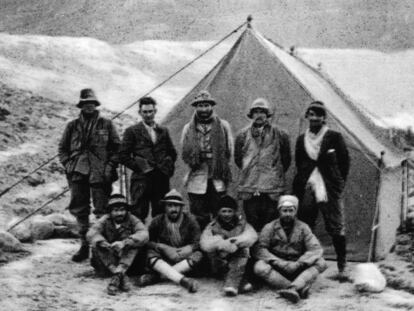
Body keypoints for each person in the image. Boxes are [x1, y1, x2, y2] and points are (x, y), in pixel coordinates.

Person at [58, 88, 120, 262]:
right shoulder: (72, 126)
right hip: (78, 172)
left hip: (100, 173)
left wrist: (109, 166)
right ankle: (84, 246)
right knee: (80, 209)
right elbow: (62, 149)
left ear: (96, 104)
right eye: (86, 103)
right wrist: (69, 164)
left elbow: (116, 148)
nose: (89, 106)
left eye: (92, 103)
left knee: (102, 209)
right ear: (81, 105)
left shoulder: (106, 124)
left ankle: (101, 248)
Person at [292, 101, 350, 279]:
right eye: (311, 114)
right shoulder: (302, 139)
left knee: (335, 224)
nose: (315, 118)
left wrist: (337, 184)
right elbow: (299, 161)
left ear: (324, 117)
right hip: (308, 184)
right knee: (306, 222)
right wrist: (305, 179)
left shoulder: (334, 136)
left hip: (329, 187)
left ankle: (342, 264)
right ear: (307, 116)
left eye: (318, 115)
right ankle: (306, 262)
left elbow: (344, 162)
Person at [253, 195, 327, 303]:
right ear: (279, 211)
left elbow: (315, 249)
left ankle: (293, 288)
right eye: (284, 210)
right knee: (259, 266)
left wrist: (300, 263)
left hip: (297, 265)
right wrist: (278, 262)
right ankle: (297, 288)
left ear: (295, 211)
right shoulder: (269, 227)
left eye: (291, 210)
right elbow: (260, 249)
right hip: (277, 267)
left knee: (321, 262)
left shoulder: (303, 227)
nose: (288, 214)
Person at [234, 98, 291, 231]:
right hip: (250, 185)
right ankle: (255, 251)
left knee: (270, 221)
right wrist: (250, 170)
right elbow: (238, 159)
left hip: (272, 187)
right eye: (256, 112)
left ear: (268, 115)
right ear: (251, 115)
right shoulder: (242, 135)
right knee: (252, 220)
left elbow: (286, 159)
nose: (259, 115)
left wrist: (274, 172)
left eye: (262, 112)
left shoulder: (281, 134)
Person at [181, 90, 233, 229]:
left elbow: (229, 150)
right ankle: (201, 244)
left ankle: (216, 243)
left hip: (217, 176)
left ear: (212, 106)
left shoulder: (223, 126)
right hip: (197, 176)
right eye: (200, 105)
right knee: (198, 214)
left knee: (219, 212)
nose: (204, 109)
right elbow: (185, 152)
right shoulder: (188, 128)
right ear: (196, 107)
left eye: (207, 105)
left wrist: (217, 163)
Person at [119, 97, 177, 222]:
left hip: (160, 179)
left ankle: (157, 240)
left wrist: (167, 167)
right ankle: (139, 240)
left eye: (150, 111)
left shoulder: (163, 131)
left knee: (160, 213)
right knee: (138, 213)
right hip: (141, 180)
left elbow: (172, 153)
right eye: (145, 112)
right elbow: (123, 155)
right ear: (140, 113)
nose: (148, 115)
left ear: (155, 111)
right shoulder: (132, 131)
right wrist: (140, 167)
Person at [138, 189, 202, 293]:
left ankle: (159, 277)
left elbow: (198, 241)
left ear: (181, 207)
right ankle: (183, 281)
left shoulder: (190, 220)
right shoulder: (157, 220)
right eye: (170, 205)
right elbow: (147, 241)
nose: (173, 209)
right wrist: (162, 247)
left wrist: (189, 248)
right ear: (164, 207)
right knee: (150, 253)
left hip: (183, 258)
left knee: (198, 255)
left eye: (176, 206)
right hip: (164, 258)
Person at [87, 194, 149, 295]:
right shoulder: (105, 219)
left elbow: (144, 234)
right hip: (109, 262)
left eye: (122, 209)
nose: (119, 213)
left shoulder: (132, 219)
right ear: (110, 212)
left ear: (126, 210)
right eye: (115, 210)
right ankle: (120, 275)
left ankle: (117, 275)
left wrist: (124, 243)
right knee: (96, 245)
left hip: (131, 264)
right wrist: (102, 242)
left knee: (134, 244)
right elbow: (91, 233)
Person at [200, 195, 258, 296]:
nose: (227, 214)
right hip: (219, 261)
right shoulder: (212, 226)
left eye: (230, 211)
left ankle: (231, 285)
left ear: (235, 212)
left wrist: (235, 241)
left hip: (238, 258)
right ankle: (239, 281)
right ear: (218, 212)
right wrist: (222, 243)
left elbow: (252, 236)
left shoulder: (242, 224)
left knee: (244, 250)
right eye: (224, 211)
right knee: (218, 254)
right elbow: (204, 243)